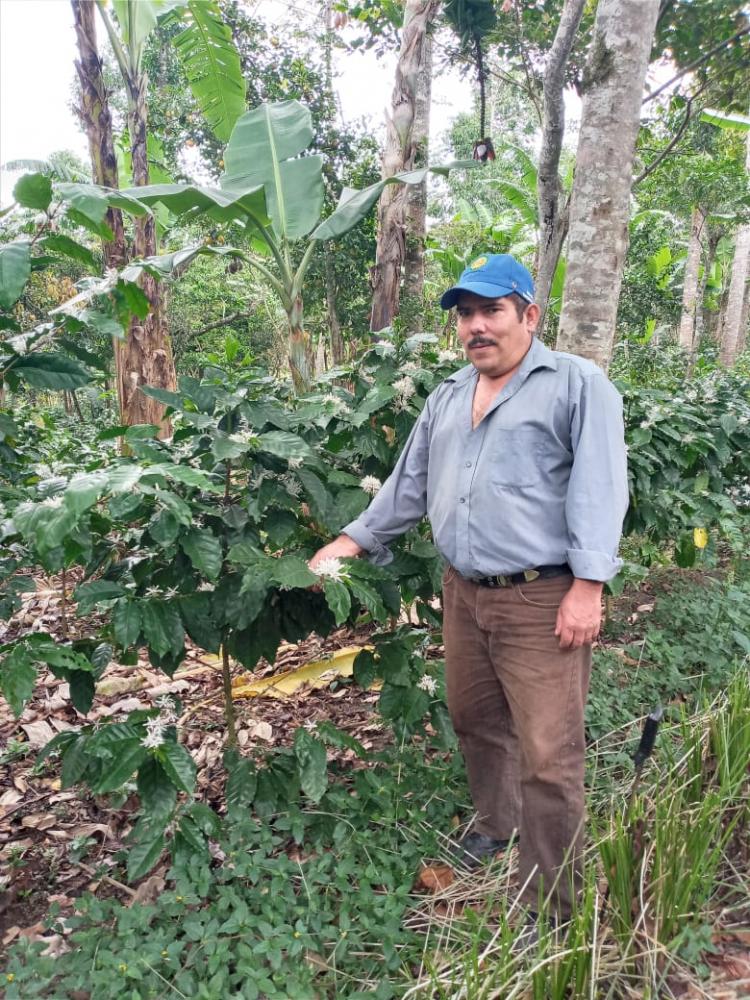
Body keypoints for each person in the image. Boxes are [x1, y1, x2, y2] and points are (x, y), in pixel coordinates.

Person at [309, 254, 629, 922]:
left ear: (529, 315)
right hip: (465, 593)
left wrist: (589, 586)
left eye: (492, 311)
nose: (477, 327)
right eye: (466, 315)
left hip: (541, 596)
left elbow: (600, 485)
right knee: (475, 718)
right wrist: (353, 539)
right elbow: (409, 486)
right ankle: (496, 822)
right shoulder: (448, 395)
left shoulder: (576, 384)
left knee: (549, 753)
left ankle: (552, 903)